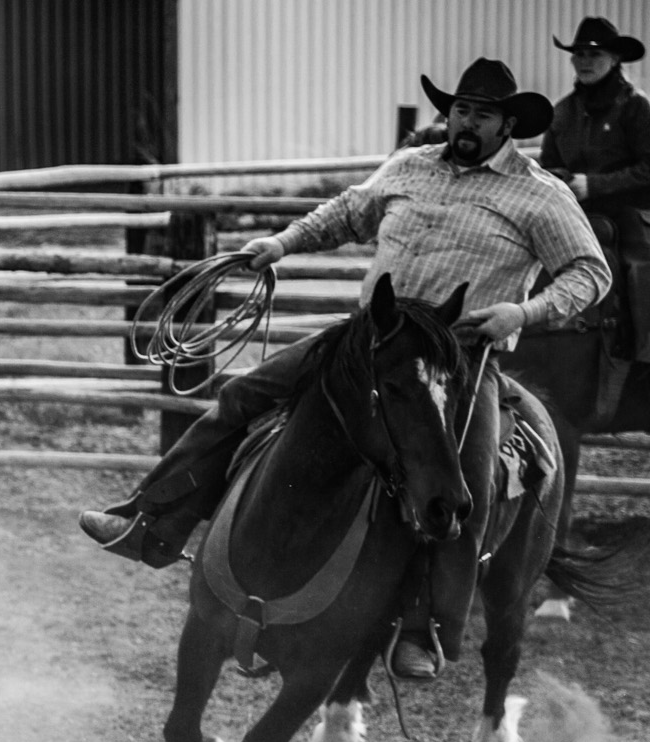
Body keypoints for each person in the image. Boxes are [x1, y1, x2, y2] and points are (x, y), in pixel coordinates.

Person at [78, 59, 609, 680]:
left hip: (458, 358)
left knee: (468, 478)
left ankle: (427, 626)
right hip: (371, 342)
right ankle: (152, 519)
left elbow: (590, 273)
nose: (465, 122)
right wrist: (280, 244)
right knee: (245, 395)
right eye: (460, 109)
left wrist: (521, 311)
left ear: (508, 124)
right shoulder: (412, 166)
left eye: (482, 114)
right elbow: (348, 213)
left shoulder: (540, 195)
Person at [540, 16, 650, 360]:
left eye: (594, 54)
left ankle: (644, 354)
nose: (585, 61)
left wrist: (595, 185)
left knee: (639, 267)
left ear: (615, 59)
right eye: (579, 55)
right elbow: (545, 168)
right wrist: (561, 180)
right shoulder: (561, 113)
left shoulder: (636, 106)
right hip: (578, 215)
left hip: (631, 212)